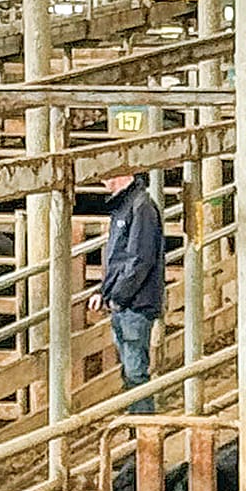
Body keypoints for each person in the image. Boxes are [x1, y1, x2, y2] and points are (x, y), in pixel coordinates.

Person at [92, 165, 164, 408]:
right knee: (132, 369)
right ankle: (139, 422)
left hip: (135, 302)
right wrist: (106, 293)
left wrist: (116, 295)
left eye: (106, 174)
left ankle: (142, 424)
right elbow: (127, 260)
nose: (102, 180)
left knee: (134, 371)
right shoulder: (130, 206)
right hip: (129, 301)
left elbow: (139, 260)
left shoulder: (139, 207)